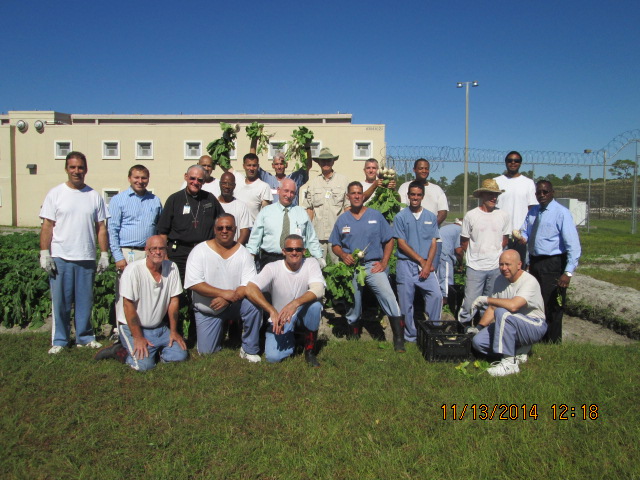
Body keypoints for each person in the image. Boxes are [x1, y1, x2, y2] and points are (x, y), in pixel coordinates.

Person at [39, 151, 109, 354]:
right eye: (72, 167)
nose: (76, 171)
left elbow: (101, 228)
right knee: (61, 301)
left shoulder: (94, 196)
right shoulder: (56, 194)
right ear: (66, 169)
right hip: (61, 255)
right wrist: (44, 252)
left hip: (86, 256)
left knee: (85, 301)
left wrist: (104, 254)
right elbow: (47, 225)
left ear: (86, 169)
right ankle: (60, 340)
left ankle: (85, 337)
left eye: (80, 167)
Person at [329, 182, 405, 352]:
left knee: (388, 296)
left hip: (372, 266)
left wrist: (384, 262)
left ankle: (399, 339)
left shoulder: (376, 216)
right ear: (348, 196)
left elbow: (388, 240)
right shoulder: (343, 219)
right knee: (353, 302)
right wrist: (343, 255)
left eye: (359, 193)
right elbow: (335, 244)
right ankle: (353, 334)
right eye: (353, 193)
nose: (356, 196)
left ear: (363, 195)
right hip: (352, 268)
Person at [94, 236, 188, 371]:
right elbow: (128, 305)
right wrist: (137, 337)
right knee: (144, 366)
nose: (157, 252)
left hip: (158, 327)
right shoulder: (133, 270)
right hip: (133, 327)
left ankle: (153, 351)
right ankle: (119, 351)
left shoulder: (171, 268)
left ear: (166, 250)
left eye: (161, 248)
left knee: (180, 356)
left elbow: (174, 301)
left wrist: (173, 331)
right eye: (153, 249)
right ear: (146, 251)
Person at [184, 214, 262, 361]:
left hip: (234, 305)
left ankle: (249, 349)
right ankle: (218, 332)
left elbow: (249, 285)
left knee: (254, 305)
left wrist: (229, 299)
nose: (224, 231)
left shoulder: (244, 253)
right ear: (214, 229)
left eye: (229, 228)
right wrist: (223, 293)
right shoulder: (199, 251)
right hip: (208, 309)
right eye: (220, 228)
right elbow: (194, 283)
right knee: (207, 353)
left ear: (235, 230)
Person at [245, 235, 325, 366]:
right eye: (290, 249)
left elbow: (318, 289)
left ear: (304, 251)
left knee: (315, 306)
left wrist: (294, 304)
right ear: (283, 251)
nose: (294, 252)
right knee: (273, 357)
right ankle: (294, 339)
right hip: (280, 318)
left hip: (300, 314)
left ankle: (310, 351)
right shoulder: (273, 267)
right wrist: (271, 310)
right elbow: (250, 289)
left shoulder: (311, 263)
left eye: (298, 249)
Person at [518, 180, 581, 343]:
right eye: (538, 192)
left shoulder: (561, 213)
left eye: (545, 192)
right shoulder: (533, 211)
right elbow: (526, 230)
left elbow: (573, 245)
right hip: (535, 262)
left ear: (552, 192)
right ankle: (538, 335)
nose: (542, 195)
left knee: (552, 303)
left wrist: (567, 272)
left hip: (552, 262)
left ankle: (553, 340)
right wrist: (523, 237)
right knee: (536, 300)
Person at [470, 250, 547, 377]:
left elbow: (514, 305)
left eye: (508, 264)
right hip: (509, 322)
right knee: (478, 342)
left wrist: (485, 299)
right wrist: (479, 328)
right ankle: (517, 351)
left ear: (519, 265)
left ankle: (509, 364)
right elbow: (493, 307)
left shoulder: (529, 281)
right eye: (501, 264)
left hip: (534, 324)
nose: (504, 268)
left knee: (503, 313)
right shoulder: (500, 280)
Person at [393, 181, 443, 342]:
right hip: (406, 264)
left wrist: (427, 264)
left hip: (426, 266)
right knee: (406, 302)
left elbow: (434, 242)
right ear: (408, 196)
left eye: (418, 195)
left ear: (422, 196)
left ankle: (433, 331)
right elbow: (401, 243)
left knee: (436, 295)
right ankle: (411, 335)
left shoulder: (430, 217)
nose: (415, 197)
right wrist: (421, 260)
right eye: (412, 194)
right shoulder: (400, 217)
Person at [157, 165, 224, 282]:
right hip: (179, 253)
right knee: (178, 288)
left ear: (204, 181)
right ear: (186, 177)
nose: (195, 182)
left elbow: (221, 222)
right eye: (192, 178)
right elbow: (163, 231)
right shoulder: (174, 199)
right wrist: (165, 256)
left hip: (204, 252)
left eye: (200, 180)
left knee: (204, 285)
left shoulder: (210, 198)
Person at [458, 179, 510, 325]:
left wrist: (495, 256)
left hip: (495, 268)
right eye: (490, 194)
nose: (494, 198)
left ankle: (484, 330)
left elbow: (505, 240)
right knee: (469, 302)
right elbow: (464, 242)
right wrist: (475, 255)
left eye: (496, 195)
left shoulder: (503, 216)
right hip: (475, 267)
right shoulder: (471, 215)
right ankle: (464, 328)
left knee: (489, 302)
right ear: (482, 196)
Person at [247, 178, 323, 269]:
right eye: (286, 191)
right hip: (270, 259)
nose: (289, 195)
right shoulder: (266, 212)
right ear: (279, 191)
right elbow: (255, 237)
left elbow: (311, 237)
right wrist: (250, 256)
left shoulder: (302, 213)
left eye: (292, 192)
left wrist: (319, 257)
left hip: (295, 259)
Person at [108, 164, 163, 273]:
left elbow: (160, 228)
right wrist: (118, 257)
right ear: (129, 178)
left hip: (150, 253)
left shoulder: (155, 200)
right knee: (127, 288)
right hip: (128, 253)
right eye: (136, 177)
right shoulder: (118, 200)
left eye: (144, 178)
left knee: (148, 288)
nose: (140, 181)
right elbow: (112, 230)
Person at [303, 147, 348, 264]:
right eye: (323, 161)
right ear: (318, 163)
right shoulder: (313, 183)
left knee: (338, 266)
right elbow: (310, 209)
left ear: (333, 162)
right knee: (318, 266)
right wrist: (308, 232)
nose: (326, 163)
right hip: (318, 234)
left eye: (328, 160)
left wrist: (347, 231)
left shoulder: (343, 181)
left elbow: (347, 207)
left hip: (337, 234)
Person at [494, 151, 537, 264]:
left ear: (520, 163)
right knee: (499, 267)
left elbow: (532, 210)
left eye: (516, 161)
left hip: (519, 235)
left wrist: (526, 233)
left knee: (518, 268)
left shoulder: (528, 183)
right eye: (510, 160)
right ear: (506, 162)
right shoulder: (497, 181)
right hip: (500, 233)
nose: (513, 163)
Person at [398, 158, 448, 225]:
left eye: (426, 168)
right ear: (414, 170)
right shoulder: (404, 187)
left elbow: (443, 212)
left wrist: (430, 226)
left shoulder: (437, 189)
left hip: (431, 232)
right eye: (421, 168)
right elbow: (402, 210)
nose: (424, 171)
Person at [234, 153, 273, 223]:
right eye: (249, 165)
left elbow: (267, 214)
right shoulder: (237, 184)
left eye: (254, 166)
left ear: (258, 166)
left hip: (253, 229)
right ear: (244, 166)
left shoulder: (264, 187)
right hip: (235, 227)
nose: (251, 168)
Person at [437, 218, 464, 316]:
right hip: (445, 253)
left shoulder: (448, 227)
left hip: (436, 252)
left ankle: (440, 297)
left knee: (440, 276)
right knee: (447, 277)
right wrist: (461, 263)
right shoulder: (460, 230)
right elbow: (458, 250)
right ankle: (447, 299)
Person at [216, 172, 252, 245]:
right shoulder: (214, 205)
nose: (227, 186)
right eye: (224, 183)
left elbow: (244, 232)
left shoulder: (241, 206)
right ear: (219, 184)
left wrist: (234, 249)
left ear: (234, 186)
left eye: (230, 184)